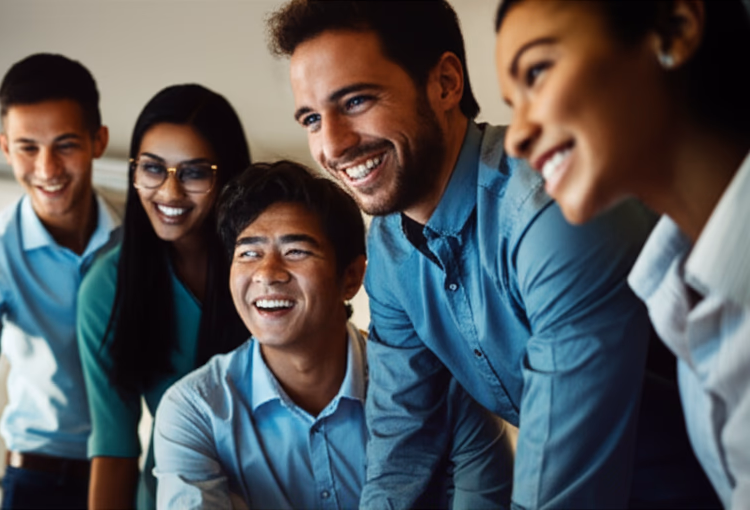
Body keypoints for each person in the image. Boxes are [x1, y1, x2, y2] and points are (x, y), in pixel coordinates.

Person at [267, 1, 716, 508]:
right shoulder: (389, 245)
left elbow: (561, 488)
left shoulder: (551, 207)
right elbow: (402, 437)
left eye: (355, 101)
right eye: (311, 118)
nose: (332, 144)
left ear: (445, 83)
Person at [495, 0, 750, 506]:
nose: (516, 138)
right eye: (511, 104)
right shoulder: (680, 299)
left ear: (675, 29)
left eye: (538, 71)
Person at [153, 161, 515, 509]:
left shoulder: (441, 386)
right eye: (249, 253)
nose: (267, 273)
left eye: (295, 251)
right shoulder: (195, 411)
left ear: (352, 277)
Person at [0, 53, 119, 509]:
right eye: (28, 147)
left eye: (66, 144)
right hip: (36, 480)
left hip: (125, 471)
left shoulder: (138, 238)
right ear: (5, 148)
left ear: (98, 141)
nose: (47, 168)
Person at [77, 84, 251, 509]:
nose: (169, 193)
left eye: (194, 172)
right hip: (170, 494)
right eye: (152, 169)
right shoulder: (107, 286)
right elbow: (114, 448)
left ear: (226, 176)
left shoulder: (262, 267)